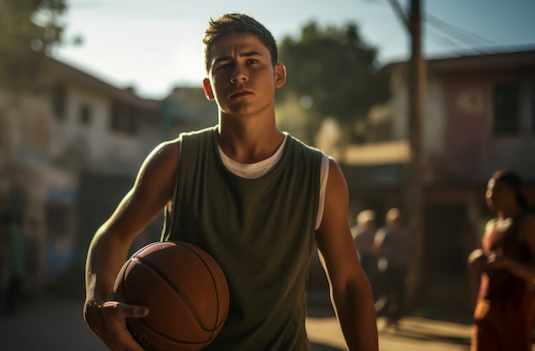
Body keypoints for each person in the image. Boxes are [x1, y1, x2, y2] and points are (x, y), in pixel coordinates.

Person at [83, 13, 377, 351]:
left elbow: (349, 283)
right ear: (209, 87)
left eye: (253, 61)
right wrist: (95, 301)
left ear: (277, 74)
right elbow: (114, 234)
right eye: (224, 66)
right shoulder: (176, 160)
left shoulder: (320, 173)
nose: (238, 74)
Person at [468, 170, 535, 351]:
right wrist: (478, 260)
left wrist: (507, 263)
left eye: (495, 190)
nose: (489, 196)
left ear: (511, 192)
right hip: (486, 305)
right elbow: (489, 264)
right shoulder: (490, 227)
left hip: (515, 307)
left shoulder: (526, 224)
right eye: (488, 191)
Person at [373, 208, 415, 329]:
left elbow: (411, 252)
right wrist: (386, 252)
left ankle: (395, 317)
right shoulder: (385, 232)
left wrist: (411, 270)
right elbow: (377, 248)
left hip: (401, 266)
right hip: (388, 266)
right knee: (387, 294)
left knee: (400, 293)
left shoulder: (405, 234)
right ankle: (383, 315)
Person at [352, 209, 378, 292]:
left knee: (369, 277)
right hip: (359, 257)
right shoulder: (356, 232)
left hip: (370, 257)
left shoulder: (372, 232)